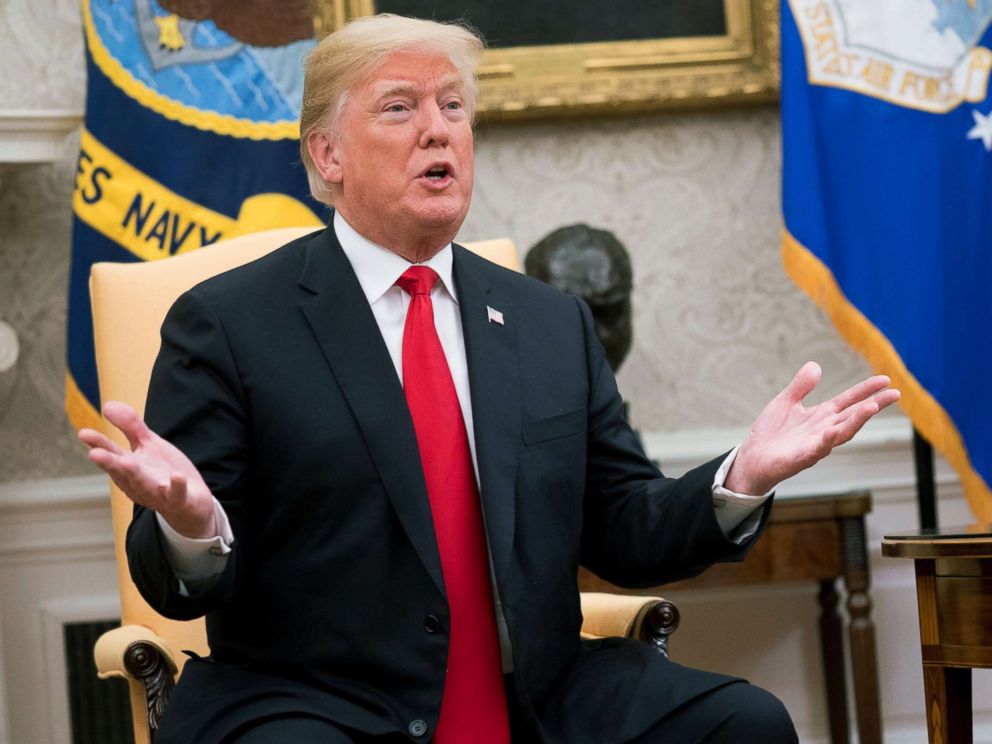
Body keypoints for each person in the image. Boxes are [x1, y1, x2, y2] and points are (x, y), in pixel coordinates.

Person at [78, 14, 899, 744]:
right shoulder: (228, 323)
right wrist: (191, 523)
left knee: (746, 723)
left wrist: (738, 480)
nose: (438, 131)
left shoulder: (548, 321)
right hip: (319, 702)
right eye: (400, 108)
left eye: (454, 108)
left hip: (540, 695)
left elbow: (622, 529)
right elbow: (178, 587)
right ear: (327, 153)